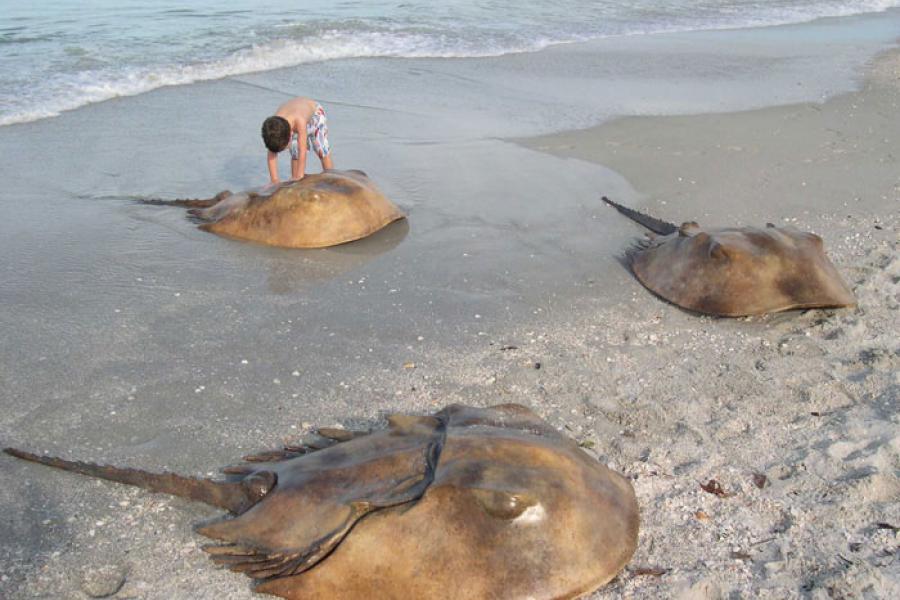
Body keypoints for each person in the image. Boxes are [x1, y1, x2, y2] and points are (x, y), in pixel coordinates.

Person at [260, 97, 333, 185]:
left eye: (284, 147)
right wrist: (274, 180)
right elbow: (271, 152)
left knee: (321, 150)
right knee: (295, 153)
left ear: (290, 134)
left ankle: (331, 179)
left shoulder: (299, 121)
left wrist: (300, 175)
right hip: (295, 112)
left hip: (315, 115)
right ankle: (294, 180)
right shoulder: (274, 129)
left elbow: (303, 150)